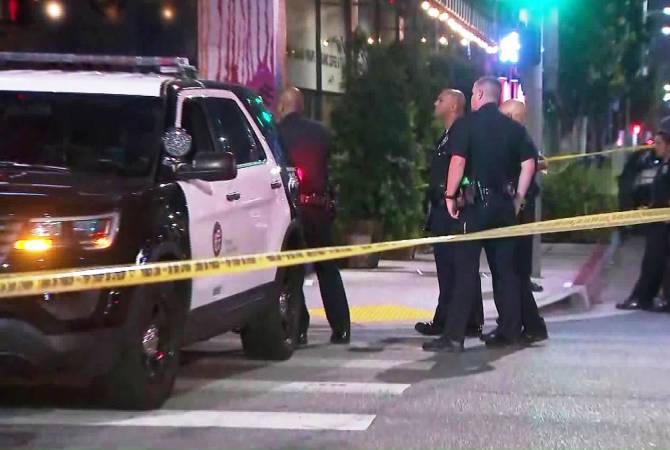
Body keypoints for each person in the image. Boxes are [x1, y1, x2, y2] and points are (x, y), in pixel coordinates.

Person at [423, 76, 536, 353]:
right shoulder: (513, 128)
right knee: (505, 271)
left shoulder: (466, 125)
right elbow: (529, 164)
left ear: (481, 94)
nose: (472, 98)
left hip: (475, 206)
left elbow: (458, 162)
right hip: (504, 205)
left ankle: (454, 336)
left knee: (465, 271)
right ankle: (510, 331)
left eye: (474, 93)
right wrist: (518, 198)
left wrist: (450, 196)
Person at [277, 87, 351, 345]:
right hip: (318, 209)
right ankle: (341, 327)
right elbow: (333, 169)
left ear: (282, 106)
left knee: (293, 271)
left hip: (289, 209)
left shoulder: (276, 133)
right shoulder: (322, 132)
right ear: (302, 106)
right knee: (327, 269)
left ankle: (299, 328)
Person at [415, 88, 483, 337]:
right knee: (448, 267)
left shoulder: (460, 131)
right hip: (442, 207)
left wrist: (452, 197)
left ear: (454, 106)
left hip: (452, 208)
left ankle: (460, 322)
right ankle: (451, 319)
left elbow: (461, 165)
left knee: (454, 267)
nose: (436, 103)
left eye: (441, 99)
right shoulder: (447, 135)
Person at [498, 100, 548, 343]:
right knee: (514, 272)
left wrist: (516, 200)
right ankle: (527, 325)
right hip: (516, 208)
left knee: (514, 271)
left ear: (512, 117)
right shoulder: (518, 138)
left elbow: (534, 165)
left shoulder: (519, 138)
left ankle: (528, 325)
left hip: (520, 209)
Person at [616, 117, 670, 313]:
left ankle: (647, 297)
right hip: (657, 219)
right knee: (654, 261)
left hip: (664, 222)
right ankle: (645, 297)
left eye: (659, 143)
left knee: (658, 260)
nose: (656, 147)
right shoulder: (663, 165)